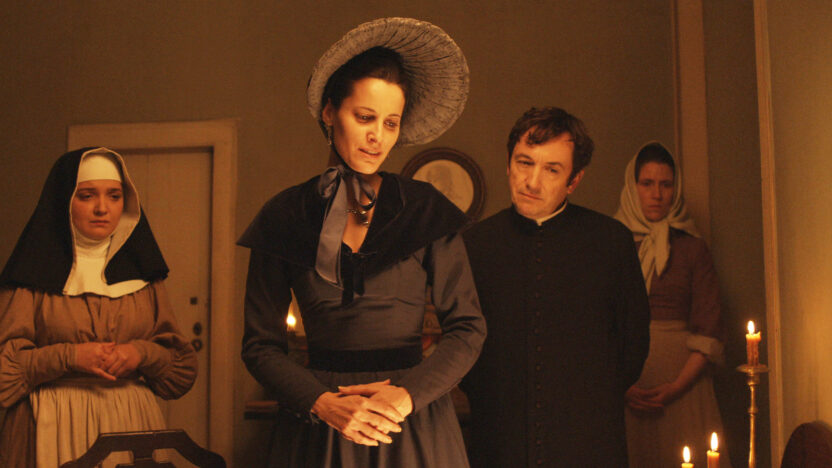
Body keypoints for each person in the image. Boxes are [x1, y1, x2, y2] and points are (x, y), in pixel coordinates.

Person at [238, 17, 485, 468]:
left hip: (412, 425)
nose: (377, 137)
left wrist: (407, 396)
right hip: (319, 429)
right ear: (329, 113)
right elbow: (260, 346)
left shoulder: (426, 209)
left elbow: (468, 329)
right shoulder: (284, 215)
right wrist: (321, 403)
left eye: (391, 123)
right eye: (365, 117)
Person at [462, 107, 651, 467]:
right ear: (508, 164)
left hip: (589, 440)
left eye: (551, 169)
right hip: (500, 439)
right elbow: (461, 344)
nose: (532, 182)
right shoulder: (474, 244)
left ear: (574, 180)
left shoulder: (610, 241)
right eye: (524, 163)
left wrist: (586, 402)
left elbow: (633, 345)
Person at [0, 147, 197, 468]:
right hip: (51, 421)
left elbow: (180, 371)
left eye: (114, 196)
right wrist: (68, 357)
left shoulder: (144, 277)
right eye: (87, 196)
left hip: (130, 420)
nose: (102, 208)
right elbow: (4, 372)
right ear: (65, 201)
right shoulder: (31, 276)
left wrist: (140, 354)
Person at [614, 142, 730, 468]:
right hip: (626, 384)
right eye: (647, 184)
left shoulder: (693, 247)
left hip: (685, 384)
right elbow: (598, 322)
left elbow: (710, 326)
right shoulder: (612, 244)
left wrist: (676, 387)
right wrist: (623, 385)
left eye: (666, 185)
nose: (657, 194)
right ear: (632, 187)